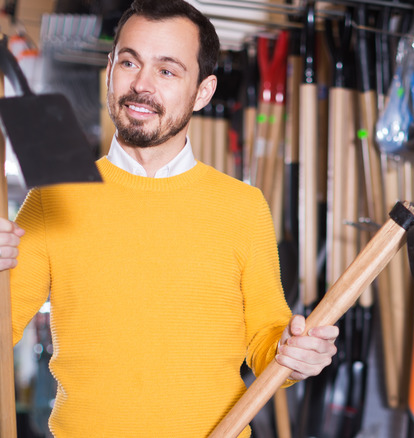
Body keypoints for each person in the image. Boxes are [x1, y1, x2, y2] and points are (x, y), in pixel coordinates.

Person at [2, 1, 338, 436]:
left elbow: (266, 340)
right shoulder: (54, 198)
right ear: (109, 69)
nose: (141, 85)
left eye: (167, 71)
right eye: (129, 62)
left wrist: (295, 354)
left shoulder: (242, 205)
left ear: (203, 91)